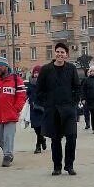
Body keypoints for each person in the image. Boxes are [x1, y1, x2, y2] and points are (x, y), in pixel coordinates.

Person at [36, 43, 81, 175]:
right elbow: (39, 89)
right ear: (54, 53)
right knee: (55, 140)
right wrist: (46, 103)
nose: (60, 54)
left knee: (71, 137)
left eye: (62, 52)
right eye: (58, 52)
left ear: (66, 55)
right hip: (52, 110)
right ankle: (57, 167)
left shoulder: (71, 69)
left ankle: (69, 165)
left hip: (69, 110)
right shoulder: (46, 69)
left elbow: (77, 87)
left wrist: (74, 102)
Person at [0, 56, 26, 166]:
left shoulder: (16, 79)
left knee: (8, 136)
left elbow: (21, 96)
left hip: (11, 114)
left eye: (0, 66)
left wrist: (16, 108)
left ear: (6, 67)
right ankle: (8, 152)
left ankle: (7, 156)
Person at [26, 64, 47, 153]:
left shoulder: (44, 83)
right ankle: (42, 139)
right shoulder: (30, 83)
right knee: (36, 127)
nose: (36, 74)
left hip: (42, 108)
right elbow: (28, 93)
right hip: (33, 108)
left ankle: (38, 146)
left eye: (38, 73)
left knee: (40, 127)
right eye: (35, 73)